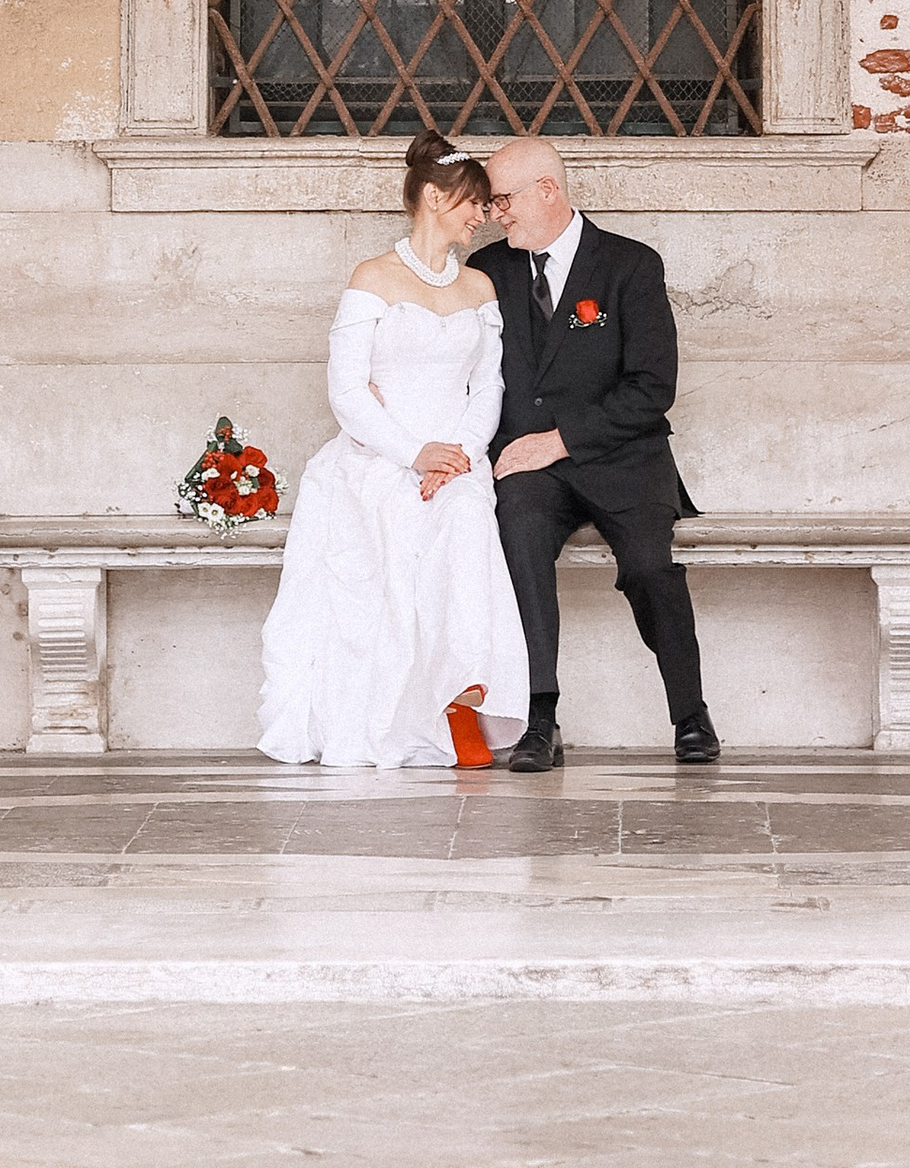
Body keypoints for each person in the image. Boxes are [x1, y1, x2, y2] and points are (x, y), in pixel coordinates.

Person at [258, 132, 531, 770]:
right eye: (474, 203)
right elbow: (347, 392)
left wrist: (457, 455)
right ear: (435, 198)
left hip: (455, 462)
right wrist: (414, 454)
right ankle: (385, 708)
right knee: (390, 521)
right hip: (380, 453)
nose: (484, 215)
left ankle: (459, 700)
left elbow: (487, 386)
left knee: (463, 516)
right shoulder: (372, 278)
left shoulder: (481, 288)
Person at [475, 136, 719, 772]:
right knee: (517, 544)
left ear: (546, 191)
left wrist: (559, 440)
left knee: (647, 566)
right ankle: (539, 718)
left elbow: (652, 388)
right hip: (531, 469)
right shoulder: (489, 271)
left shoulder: (630, 265)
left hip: (621, 457)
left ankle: (690, 715)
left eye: (504, 200)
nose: (496, 213)